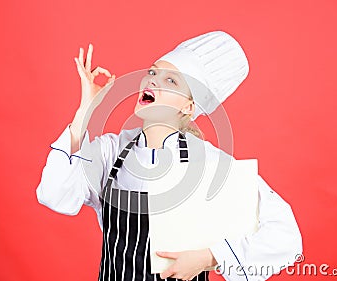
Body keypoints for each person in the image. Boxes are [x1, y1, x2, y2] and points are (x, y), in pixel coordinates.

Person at [36, 31, 303, 281]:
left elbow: (286, 236)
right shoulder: (110, 152)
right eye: (153, 72)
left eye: (170, 80)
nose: (152, 80)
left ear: (188, 107)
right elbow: (53, 194)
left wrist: (209, 257)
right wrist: (86, 110)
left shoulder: (210, 164)